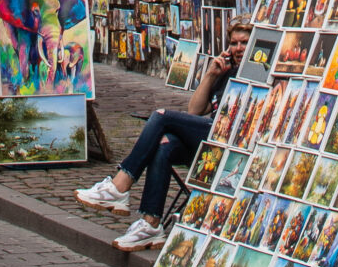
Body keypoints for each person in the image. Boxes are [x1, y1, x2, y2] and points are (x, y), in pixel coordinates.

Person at [76, 22, 251, 252]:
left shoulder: (257, 74)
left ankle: (120, 185)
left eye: (244, 43)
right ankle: (151, 225)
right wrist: (210, 74)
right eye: (234, 43)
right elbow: (195, 110)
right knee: (163, 144)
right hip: (208, 137)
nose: (238, 48)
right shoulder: (224, 72)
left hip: (232, 142)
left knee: (161, 116)